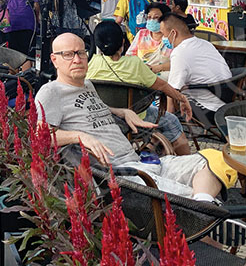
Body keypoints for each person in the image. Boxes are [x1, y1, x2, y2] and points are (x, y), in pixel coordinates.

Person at [35, 32, 223, 200]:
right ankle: (203, 212)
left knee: (216, 161)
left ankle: (203, 205)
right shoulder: (51, 92)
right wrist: (80, 136)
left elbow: (93, 108)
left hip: (142, 162)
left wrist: (122, 112)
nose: (77, 59)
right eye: (68, 54)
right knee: (192, 195)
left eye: (81, 53)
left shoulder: (87, 84)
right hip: (125, 175)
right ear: (54, 60)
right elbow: (40, 137)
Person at [88, 21, 193, 155]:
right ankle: (187, 161)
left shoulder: (91, 63)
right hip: (137, 118)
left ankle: (150, 148)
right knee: (171, 121)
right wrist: (182, 99)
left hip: (103, 118)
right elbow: (162, 86)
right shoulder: (134, 63)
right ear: (122, 42)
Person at [161, 14, 232, 121]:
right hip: (227, 103)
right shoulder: (205, 44)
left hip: (208, 109)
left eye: (163, 34)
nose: (163, 38)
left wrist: (168, 120)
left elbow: (172, 91)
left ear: (173, 33)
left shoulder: (180, 52)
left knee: (161, 92)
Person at [125, 2, 172, 73]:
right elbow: (129, 55)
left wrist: (156, 68)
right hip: (141, 74)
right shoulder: (142, 34)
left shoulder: (172, 36)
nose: (152, 20)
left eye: (156, 17)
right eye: (149, 17)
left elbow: (178, 62)